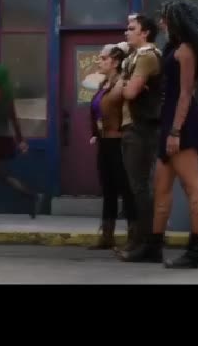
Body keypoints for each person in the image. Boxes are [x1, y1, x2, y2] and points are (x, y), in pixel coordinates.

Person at [144, 0, 198, 268]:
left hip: (182, 123)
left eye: (165, 17)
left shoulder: (186, 50)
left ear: (176, 20)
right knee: (161, 188)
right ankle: (153, 246)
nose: (161, 22)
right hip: (170, 120)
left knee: (192, 186)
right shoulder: (173, 48)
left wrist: (175, 131)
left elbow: (186, 94)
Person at [115, 13, 163, 262]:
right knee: (136, 187)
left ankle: (148, 243)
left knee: (141, 187)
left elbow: (129, 92)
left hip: (141, 127)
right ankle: (138, 240)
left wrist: (125, 83)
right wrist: (127, 82)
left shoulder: (147, 56)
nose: (127, 31)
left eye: (132, 28)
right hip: (131, 126)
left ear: (145, 33)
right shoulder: (134, 57)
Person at [88, 42, 137, 250]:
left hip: (119, 141)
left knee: (126, 188)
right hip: (104, 141)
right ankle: (107, 235)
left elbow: (121, 102)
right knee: (107, 188)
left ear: (115, 62)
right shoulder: (104, 84)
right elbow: (97, 111)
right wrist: (95, 133)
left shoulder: (122, 82)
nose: (99, 61)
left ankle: (134, 236)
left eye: (104, 58)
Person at [0, 65, 43, 219]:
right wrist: (20, 140)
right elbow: (14, 120)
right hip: (3, 138)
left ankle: (32, 196)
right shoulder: (7, 94)